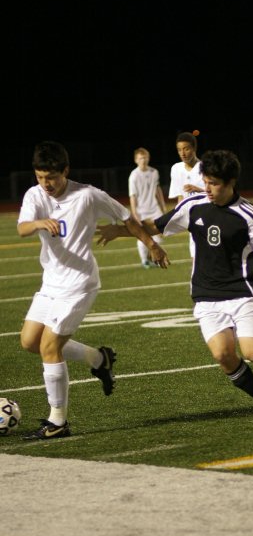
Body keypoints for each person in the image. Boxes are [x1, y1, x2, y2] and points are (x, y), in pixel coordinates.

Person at [97, 149, 253, 428]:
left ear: (231, 182)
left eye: (214, 183)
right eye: (205, 181)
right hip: (206, 296)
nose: (207, 188)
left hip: (243, 294)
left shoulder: (249, 214)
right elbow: (154, 226)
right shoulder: (193, 206)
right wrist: (120, 231)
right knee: (223, 356)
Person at [17, 140, 169, 440]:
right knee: (30, 342)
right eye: (40, 177)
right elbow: (22, 227)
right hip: (51, 283)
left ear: (66, 171)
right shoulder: (35, 195)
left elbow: (128, 219)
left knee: (49, 347)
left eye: (52, 178)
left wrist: (151, 244)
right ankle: (99, 359)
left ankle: (57, 421)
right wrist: (37, 223)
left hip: (79, 284)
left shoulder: (88, 195)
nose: (46, 184)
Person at [168, 132, 205, 258]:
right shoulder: (176, 169)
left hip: (209, 217)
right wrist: (179, 216)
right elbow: (180, 197)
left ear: (194, 148)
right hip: (192, 220)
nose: (182, 153)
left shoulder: (205, 168)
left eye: (186, 149)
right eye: (179, 150)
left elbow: (217, 194)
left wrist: (198, 189)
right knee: (196, 256)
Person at [129, 147, 166, 268]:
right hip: (141, 211)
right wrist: (134, 213)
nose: (143, 160)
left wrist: (163, 206)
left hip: (155, 209)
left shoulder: (154, 172)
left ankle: (154, 258)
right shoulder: (133, 176)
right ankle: (145, 260)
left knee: (159, 237)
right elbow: (132, 196)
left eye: (145, 157)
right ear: (136, 160)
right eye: (140, 158)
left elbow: (157, 190)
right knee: (142, 236)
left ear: (148, 158)